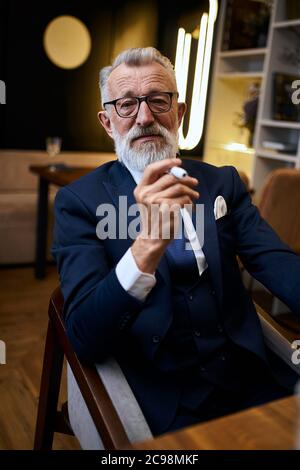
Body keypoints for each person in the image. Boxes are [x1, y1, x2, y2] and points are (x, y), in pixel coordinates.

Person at [52, 47, 300, 436]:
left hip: (249, 379)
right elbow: (84, 334)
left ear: (179, 113)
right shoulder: (80, 203)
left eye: (158, 100)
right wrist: (147, 246)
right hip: (160, 398)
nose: (145, 117)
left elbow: (276, 261)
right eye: (127, 105)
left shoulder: (222, 182)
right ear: (107, 121)